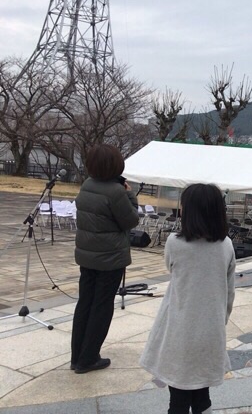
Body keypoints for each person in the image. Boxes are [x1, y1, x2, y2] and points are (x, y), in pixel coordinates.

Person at [140, 184, 236, 414]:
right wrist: (219, 320)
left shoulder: (174, 243)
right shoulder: (226, 245)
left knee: (178, 397)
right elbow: (229, 292)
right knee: (202, 394)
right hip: (211, 329)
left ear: (189, 211)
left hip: (180, 330)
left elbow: (171, 268)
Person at [71, 144, 140, 374]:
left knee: (85, 303)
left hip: (87, 256)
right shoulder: (116, 192)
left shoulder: (87, 185)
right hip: (110, 258)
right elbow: (131, 220)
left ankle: (77, 357)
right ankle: (89, 358)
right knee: (101, 306)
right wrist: (130, 194)